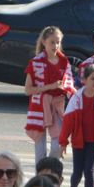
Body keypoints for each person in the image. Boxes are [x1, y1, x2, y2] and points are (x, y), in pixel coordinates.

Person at [24, 26, 74, 162]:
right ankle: (41, 173)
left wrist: (68, 89)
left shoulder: (64, 62)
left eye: (58, 42)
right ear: (44, 42)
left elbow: (70, 84)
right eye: (52, 42)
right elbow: (28, 90)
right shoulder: (36, 62)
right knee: (40, 149)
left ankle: (50, 168)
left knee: (57, 145)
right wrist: (50, 87)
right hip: (39, 106)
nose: (55, 46)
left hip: (57, 106)